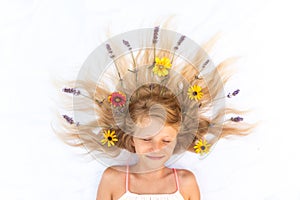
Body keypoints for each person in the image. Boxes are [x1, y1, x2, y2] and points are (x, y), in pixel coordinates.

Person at [53, 23, 252, 200]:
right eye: (146, 139)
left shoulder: (186, 183)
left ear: (177, 140)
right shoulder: (112, 179)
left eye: (165, 141)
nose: (156, 148)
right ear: (131, 138)